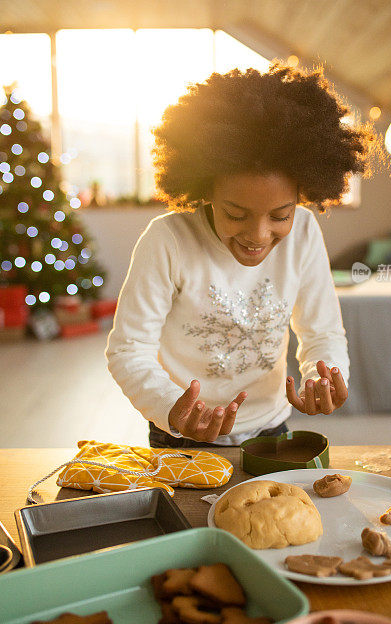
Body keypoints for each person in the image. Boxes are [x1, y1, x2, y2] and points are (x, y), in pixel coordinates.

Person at [106, 63, 374, 447]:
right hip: (181, 433)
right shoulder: (167, 240)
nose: (258, 236)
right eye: (236, 214)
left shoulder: (305, 231)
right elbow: (129, 349)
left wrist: (324, 375)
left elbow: (322, 331)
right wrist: (171, 408)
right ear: (205, 189)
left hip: (272, 427)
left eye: (281, 215)